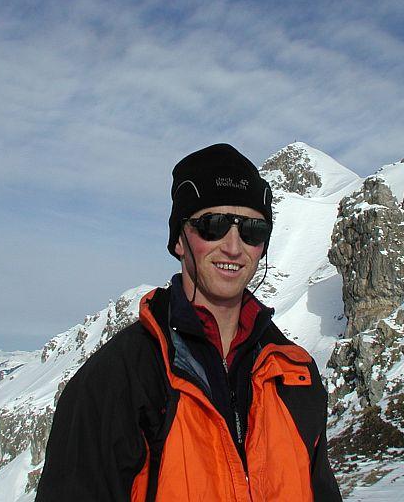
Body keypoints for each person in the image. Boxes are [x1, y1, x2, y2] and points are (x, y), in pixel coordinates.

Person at [36, 143, 341, 501]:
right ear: (179, 240)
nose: (233, 246)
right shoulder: (118, 379)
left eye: (253, 230)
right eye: (213, 225)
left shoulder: (295, 374)